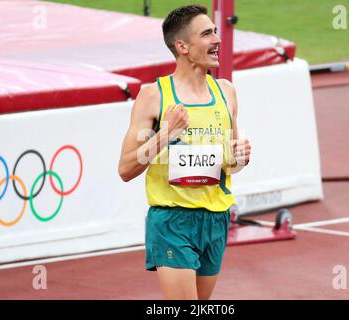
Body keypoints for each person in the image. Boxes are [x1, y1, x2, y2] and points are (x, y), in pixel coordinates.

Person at [118, 4, 251, 300]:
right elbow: (126, 168)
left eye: (215, 32)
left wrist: (240, 157)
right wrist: (165, 134)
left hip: (215, 218)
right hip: (171, 220)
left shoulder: (226, 92)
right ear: (182, 46)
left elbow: (228, 164)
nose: (217, 39)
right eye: (207, 34)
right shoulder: (154, 96)